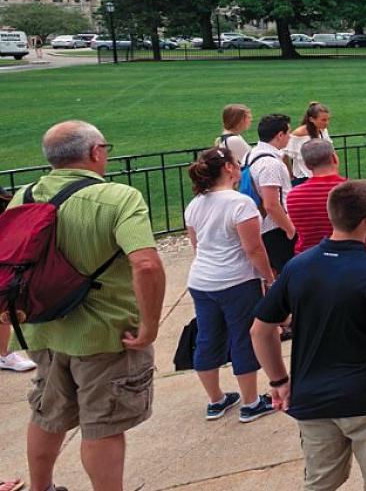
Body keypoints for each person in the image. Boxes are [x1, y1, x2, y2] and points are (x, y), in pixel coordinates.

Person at [11, 121, 166, 491]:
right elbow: (145, 263)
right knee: (103, 425)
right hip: (105, 334)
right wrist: (150, 326)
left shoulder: (24, 196)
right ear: (96, 152)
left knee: (47, 414)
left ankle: (41, 487)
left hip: (44, 327)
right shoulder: (119, 197)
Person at [250, 179, 366, 491]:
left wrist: (279, 381)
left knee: (319, 483)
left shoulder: (298, 267)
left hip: (312, 397)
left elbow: (260, 330)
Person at [184, 146, 277, 423]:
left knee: (208, 337)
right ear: (228, 168)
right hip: (236, 280)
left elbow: (196, 245)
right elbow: (254, 248)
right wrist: (268, 278)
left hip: (202, 280)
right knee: (242, 336)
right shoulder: (240, 203)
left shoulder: (195, 205)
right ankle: (250, 401)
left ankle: (215, 399)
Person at [248, 114, 297, 274]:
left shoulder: (252, 154)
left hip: (269, 226)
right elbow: (271, 204)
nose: (290, 136)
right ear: (280, 135)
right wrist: (290, 229)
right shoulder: (270, 164)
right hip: (276, 229)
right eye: (288, 133)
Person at [284, 140, 346, 254]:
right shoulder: (352, 190)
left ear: (307, 165)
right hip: (347, 255)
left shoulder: (293, 197)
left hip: (308, 257)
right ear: (334, 158)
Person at [287, 102, 332, 187]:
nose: (327, 123)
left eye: (328, 119)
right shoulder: (298, 134)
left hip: (322, 176)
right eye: (323, 120)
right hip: (303, 178)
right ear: (311, 119)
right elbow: (285, 155)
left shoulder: (322, 131)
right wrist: (290, 175)